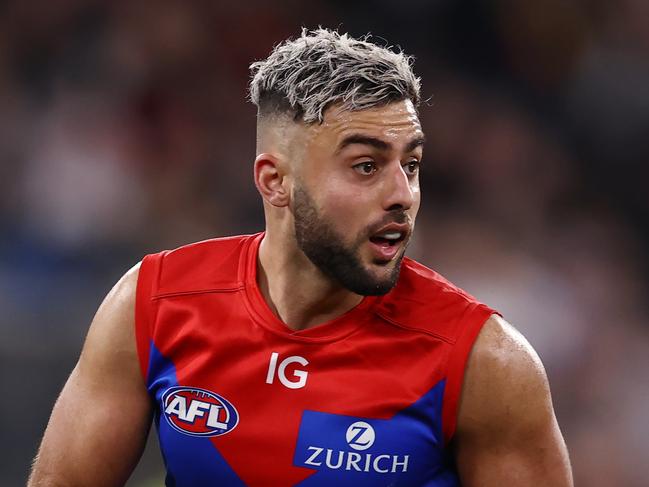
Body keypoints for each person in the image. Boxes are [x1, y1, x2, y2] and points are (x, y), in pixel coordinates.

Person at [29, 28, 573, 486]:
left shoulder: (483, 362)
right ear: (275, 182)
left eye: (410, 164)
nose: (402, 194)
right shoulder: (154, 303)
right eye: (366, 165)